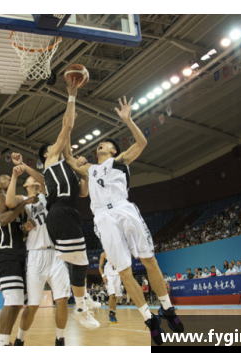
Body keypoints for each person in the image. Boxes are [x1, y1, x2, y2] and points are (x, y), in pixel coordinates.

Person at [66, 96, 184, 346]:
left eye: (104, 144)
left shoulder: (120, 161)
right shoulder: (89, 169)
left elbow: (142, 142)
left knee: (149, 260)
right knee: (124, 271)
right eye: (98, 146)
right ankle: (149, 319)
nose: (99, 146)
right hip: (103, 218)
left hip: (123, 209)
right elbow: (66, 156)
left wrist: (128, 120)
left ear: (112, 150)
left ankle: (167, 308)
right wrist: (68, 127)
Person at [38, 78, 100, 330]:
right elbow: (67, 126)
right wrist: (72, 96)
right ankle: (81, 307)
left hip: (71, 211)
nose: (62, 144)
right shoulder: (51, 159)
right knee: (80, 261)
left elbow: (84, 193)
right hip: (60, 211)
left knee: (80, 261)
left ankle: (82, 301)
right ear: (46, 152)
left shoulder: (69, 168)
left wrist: (83, 170)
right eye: (56, 144)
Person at [5, 165, 71, 346]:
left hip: (56, 253)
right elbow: (9, 203)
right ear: (25, 185)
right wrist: (14, 176)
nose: (33, 180)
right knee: (33, 305)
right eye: (29, 179)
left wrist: (27, 168)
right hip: (35, 255)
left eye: (34, 179)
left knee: (63, 299)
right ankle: (20, 339)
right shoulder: (23, 199)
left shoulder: (48, 197)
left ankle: (60, 339)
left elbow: (43, 179)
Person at [0, 172, 38, 346]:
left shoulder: (16, 203)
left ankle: (4, 341)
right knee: (12, 299)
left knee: (18, 303)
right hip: (4, 253)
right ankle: (2, 342)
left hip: (18, 254)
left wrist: (25, 229)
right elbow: (3, 220)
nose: (8, 179)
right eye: (4, 178)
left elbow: (18, 233)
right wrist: (25, 202)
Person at [99, 251, 122, 324]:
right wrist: (103, 276)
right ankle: (110, 314)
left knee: (115, 297)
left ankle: (114, 314)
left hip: (117, 275)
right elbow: (100, 266)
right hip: (109, 276)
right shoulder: (104, 254)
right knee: (111, 295)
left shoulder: (118, 252)